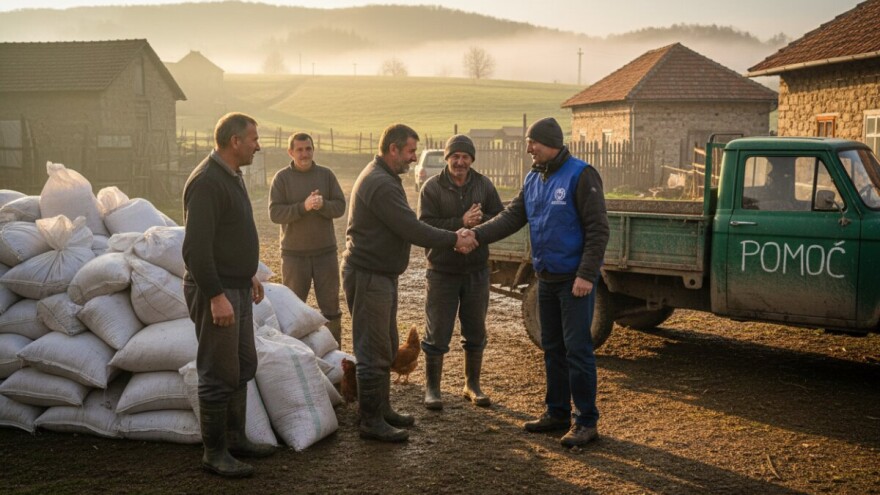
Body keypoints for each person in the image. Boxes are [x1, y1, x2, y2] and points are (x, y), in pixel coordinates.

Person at [471, 117, 609, 448]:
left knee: (578, 351)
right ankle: (557, 412)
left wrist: (587, 275)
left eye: (533, 142)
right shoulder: (534, 177)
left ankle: (586, 421)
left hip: (573, 281)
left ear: (550, 143)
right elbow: (510, 217)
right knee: (553, 349)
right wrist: (475, 235)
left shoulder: (580, 175)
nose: (528, 148)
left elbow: (598, 229)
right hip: (545, 279)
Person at [342, 123, 478, 443]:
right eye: (410, 151)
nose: (414, 158)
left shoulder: (384, 178)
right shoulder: (381, 184)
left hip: (379, 275)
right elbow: (412, 228)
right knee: (374, 350)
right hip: (369, 275)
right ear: (393, 149)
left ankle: (382, 409)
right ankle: (371, 420)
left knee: (387, 345)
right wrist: (454, 238)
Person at [182, 112, 276, 478]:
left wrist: (248, 272)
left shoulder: (231, 175)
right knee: (218, 371)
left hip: (236, 284)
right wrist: (216, 295)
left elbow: (230, 236)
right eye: (253, 138)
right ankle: (215, 452)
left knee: (240, 365)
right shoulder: (207, 182)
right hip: (216, 291)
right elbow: (196, 249)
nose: (258, 144)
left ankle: (236, 439)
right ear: (235, 141)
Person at [417, 134, 504, 410]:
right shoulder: (431, 188)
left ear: (472, 160)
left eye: (465, 157)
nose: (460, 161)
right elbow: (424, 226)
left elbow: (502, 218)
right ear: (447, 158)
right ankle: (433, 389)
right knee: (438, 330)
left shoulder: (484, 184)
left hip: (476, 269)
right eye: (455, 156)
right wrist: (460, 223)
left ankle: (472, 385)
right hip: (442, 269)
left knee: (476, 328)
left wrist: (478, 226)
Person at [269, 132, 346, 345]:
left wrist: (323, 206)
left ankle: (336, 358)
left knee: (331, 309)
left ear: (313, 150)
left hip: (325, 253)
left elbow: (340, 206)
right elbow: (275, 213)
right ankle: (296, 355)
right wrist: (303, 207)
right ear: (290, 152)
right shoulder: (282, 178)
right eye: (300, 150)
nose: (305, 154)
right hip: (294, 255)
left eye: (308, 149)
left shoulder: (326, 175)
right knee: (293, 310)